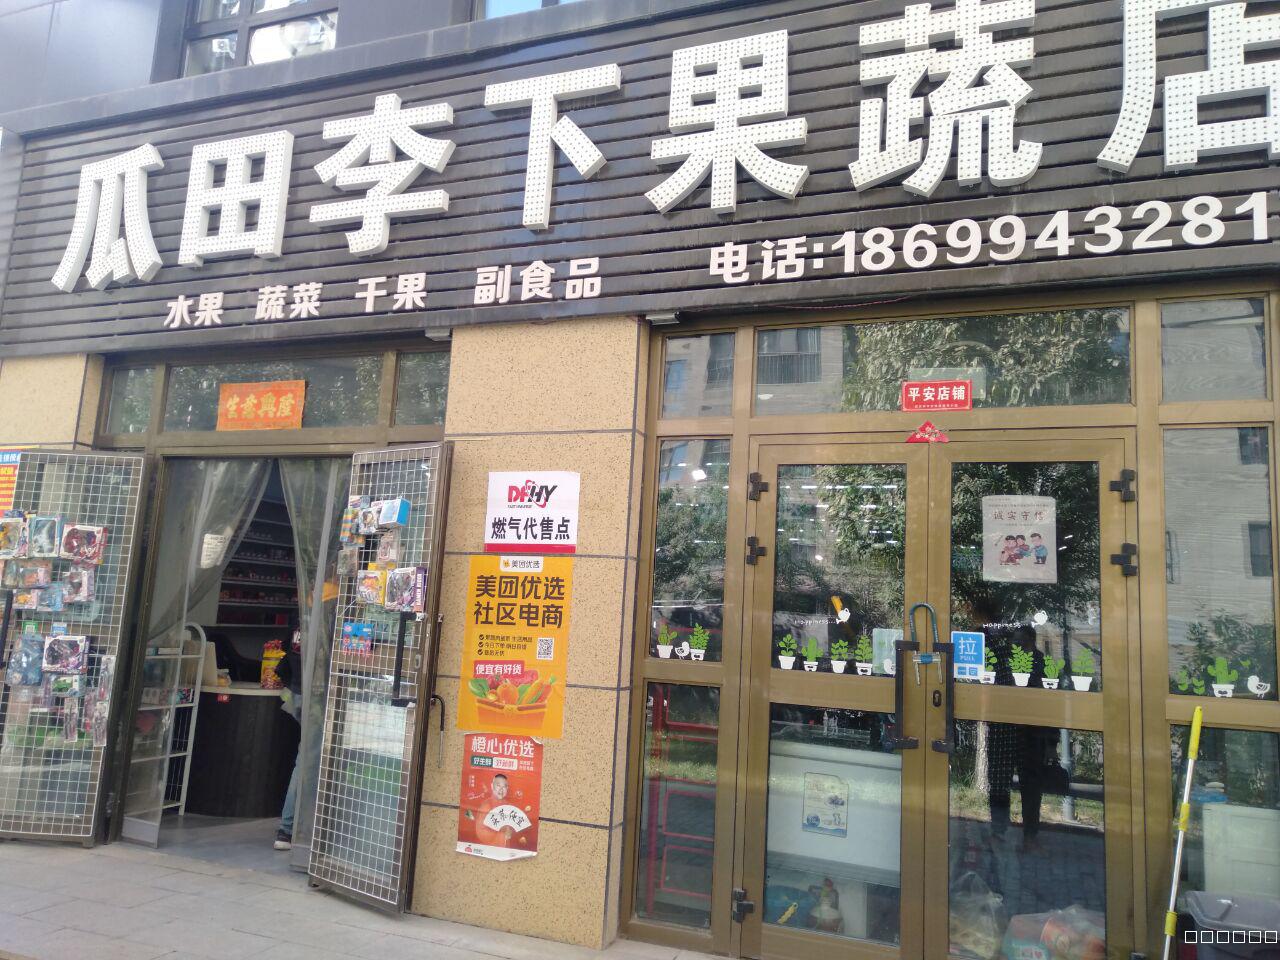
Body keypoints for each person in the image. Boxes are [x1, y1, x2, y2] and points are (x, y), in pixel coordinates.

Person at [274, 630, 303, 851]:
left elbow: (286, 646)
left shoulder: (302, 619)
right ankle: (288, 828)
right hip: (316, 693)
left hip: (296, 692)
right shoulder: (329, 619)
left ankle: (288, 828)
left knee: (305, 760)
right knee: (307, 761)